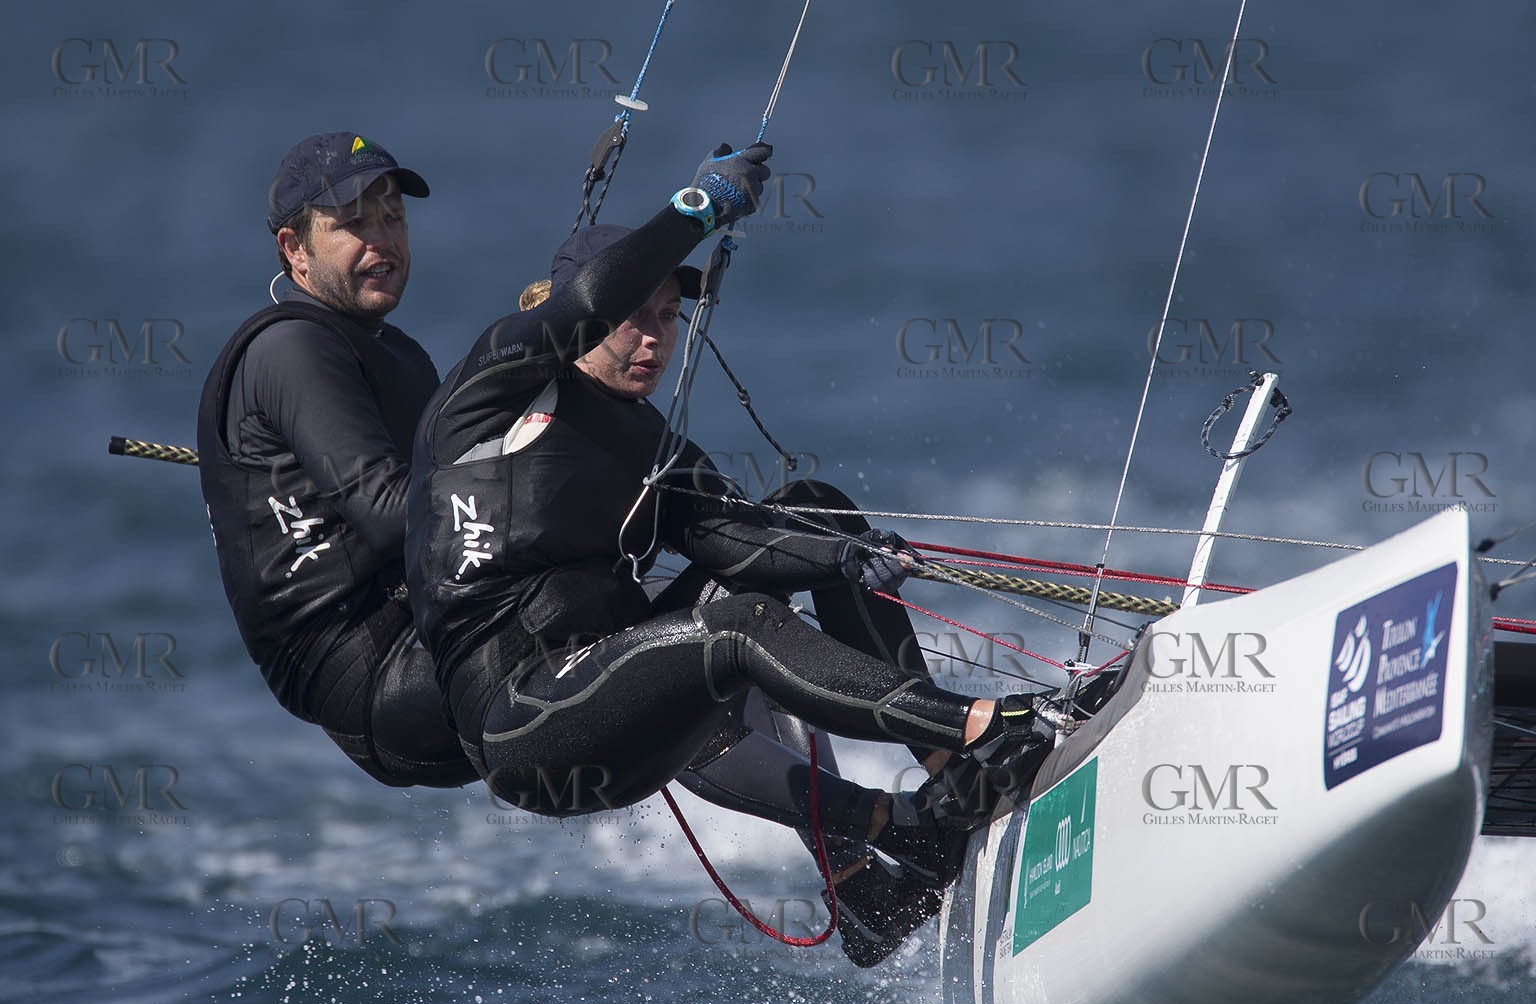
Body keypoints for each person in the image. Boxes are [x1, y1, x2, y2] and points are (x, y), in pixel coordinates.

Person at [405, 143, 1070, 956]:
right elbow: (587, 294)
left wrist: (842, 557)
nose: (654, 338)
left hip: (622, 691)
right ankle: (981, 726)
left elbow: (743, 542)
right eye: (634, 316)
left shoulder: (653, 445)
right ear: (575, 317)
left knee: (813, 515)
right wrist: (702, 205)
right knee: (742, 626)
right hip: (525, 724)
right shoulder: (495, 389)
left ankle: (939, 795)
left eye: (667, 318)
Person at [197, 131, 475, 788]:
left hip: (419, 630)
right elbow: (391, 514)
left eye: (393, 218)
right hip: (369, 669)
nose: (382, 239)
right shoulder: (291, 350)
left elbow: (452, 480)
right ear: (295, 249)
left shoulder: (396, 352)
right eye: (353, 223)